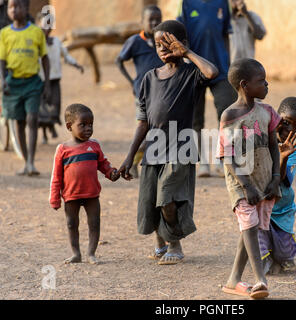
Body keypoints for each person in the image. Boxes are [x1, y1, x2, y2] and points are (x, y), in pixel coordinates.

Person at [118, 20, 219, 265]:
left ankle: (175, 242)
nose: (162, 49)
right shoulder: (149, 79)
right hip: (153, 146)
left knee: (167, 198)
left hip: (181, 146)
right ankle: (160, 242)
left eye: (167, 43)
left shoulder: (191, 74)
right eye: (157, 44)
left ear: (182, 44)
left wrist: (187, 54)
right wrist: (130, 156)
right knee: (152, 198)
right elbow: (143, 122)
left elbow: (212, 72)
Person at [218, 58, 281, 299]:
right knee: (250, 227)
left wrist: (275, 177)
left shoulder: (267, 112)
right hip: (240, 183)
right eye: (261, 81)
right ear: (245, 85)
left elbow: (274, 146)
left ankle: (234, 279)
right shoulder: (229, 116)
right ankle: (260, 280)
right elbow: (228, 157)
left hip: (264, 180)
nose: (267, 84)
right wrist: (245, 186)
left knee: (250, 229)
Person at [49, 104, 120, 265]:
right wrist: (55, 198)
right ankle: (76, 253)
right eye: (83, 124)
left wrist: (112, 173)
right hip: (71, 195)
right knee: (71, 223)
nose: (88, 128)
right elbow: (56, 177)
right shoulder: (63, 149)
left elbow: (103, 164)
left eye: (91, 124)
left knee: (94, 223)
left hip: (92, 194)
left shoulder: (94, 145)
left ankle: (91, 253)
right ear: (69, 126)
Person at [178, 0, 238, 178]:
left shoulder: (222, 3)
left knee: (227, 115)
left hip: (220, 69)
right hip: (195, 70)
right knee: (196, 120)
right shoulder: (186, 3)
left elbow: (226, 34)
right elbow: (182, 36)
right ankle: (202, 163)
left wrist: (228, 64)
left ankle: (221, 161)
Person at [258, 97, 296, 275]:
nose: (290, 129)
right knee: (259, 236)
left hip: (282, 208)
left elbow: (281, 180)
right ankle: (263, 260)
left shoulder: (295, 150)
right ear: (275, 117)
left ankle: (283, 255)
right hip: (261, 203)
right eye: (286, 122)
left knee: (285, 254)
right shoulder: (262, 139)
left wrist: (283, 156)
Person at [0, 0, 51, 176]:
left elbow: (44, 58)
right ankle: (25, 162)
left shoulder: (36, 32)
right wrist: (2, 80)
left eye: (18, 6)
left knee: (32, 119)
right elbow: (2, 61)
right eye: (11, 7)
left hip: (33, 82)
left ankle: (31, 162)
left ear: (26, 8)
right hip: (13, 82)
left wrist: (48, 84)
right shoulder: (4, 34)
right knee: (19, 121)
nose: (14, 10)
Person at [116, 5, 163, 179]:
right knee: (145, 129)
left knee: (157, 131)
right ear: (142, 22)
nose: (155, 22)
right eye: (150, 19)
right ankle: (134, 161)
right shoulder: (135, 41)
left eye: (158, 19)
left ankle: (138, 161)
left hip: (161, 93)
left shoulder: (163, 41)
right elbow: (119, 60)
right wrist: (131, 82)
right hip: (142, 94)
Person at [37, 12, 84, 145]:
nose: (47, 27)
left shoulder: (56, 41)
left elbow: (66, 56)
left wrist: (76, 64)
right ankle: (45, 133)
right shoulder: (37, 43)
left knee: (55, 105)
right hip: (41, 79)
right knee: (43, 108)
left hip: (55, 79)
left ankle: (51, 125)